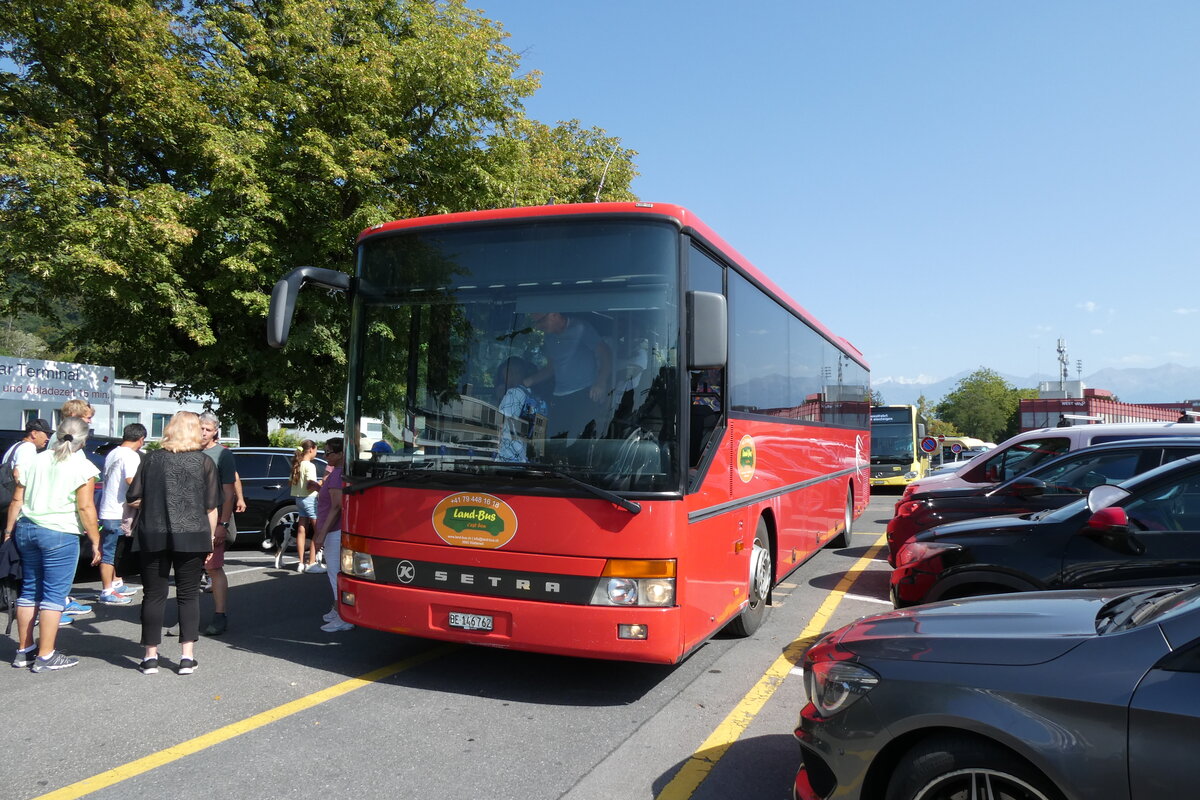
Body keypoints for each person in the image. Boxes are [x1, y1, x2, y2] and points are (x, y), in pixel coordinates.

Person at [5, 417, 102, 672]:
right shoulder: (83, 467)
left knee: (29, 590)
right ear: (84, 440)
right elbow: (85, 507)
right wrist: (95, 540)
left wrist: (8, 531)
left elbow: (17, 499)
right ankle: (46, 655)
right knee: (54, 594)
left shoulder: (35, 460)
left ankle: (24, 650)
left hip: (27, 528)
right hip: (60, 531)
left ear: (58, 435)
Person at [127, 411, 220, 674]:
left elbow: (133, 497)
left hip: (153, 532)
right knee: (188, 594)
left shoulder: (151, 459)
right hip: (192, 534)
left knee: (153, 594)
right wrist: (210, 538)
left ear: (170, 429)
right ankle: (186, 657)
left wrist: (155, 501)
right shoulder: (204, 462)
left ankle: (150, 657)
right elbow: (211, 507)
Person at [525, 312, 612, 441]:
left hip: (585, 395)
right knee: (553, 440)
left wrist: (601, 382)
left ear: (554, 315)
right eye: (535, 323)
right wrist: (527, 382)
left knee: (579, 441)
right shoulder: (549, 338)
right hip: (559, 397)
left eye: (541, 321)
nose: (537, 327)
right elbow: (551, 369)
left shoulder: (581, 327)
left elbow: (605, 353)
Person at [198, 412, 242, 636]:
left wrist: (223, 524)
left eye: (208, 429)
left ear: (215, 431)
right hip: (190, 519)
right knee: (189, 570)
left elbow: (228, 491)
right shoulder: (189, 450)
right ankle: (187, 616)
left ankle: (219, 615)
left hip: (213, 518)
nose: (203, 433)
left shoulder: (223, 454)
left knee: (213, 568)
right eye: (201, 428)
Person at [97, 423, 147, 604]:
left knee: (116, 550)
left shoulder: (114, 452)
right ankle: (107, 591)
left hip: (108, 508)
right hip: (117, 511)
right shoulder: (130, 455)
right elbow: (131, 480)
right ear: (141, 439)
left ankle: (116, 583)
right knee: (110, 552)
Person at [312, 437, 352, 632]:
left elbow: (336, 507)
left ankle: (344, 617)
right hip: (333, 531)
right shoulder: (337, 473)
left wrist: (321, 534)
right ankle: (338, 611)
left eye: (328, 452)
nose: (325, 455)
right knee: (335, 573)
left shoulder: (337, 474)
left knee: (335, 574)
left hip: (333, 532)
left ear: (340, 454)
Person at [493, 357, 545, 463]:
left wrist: (500, 399)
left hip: (508, 463)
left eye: (505, 377)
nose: (506, 382)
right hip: (529, 462)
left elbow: (497, 428)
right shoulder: (539, 401)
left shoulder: (512, 394)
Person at [289, 440, 321, 573]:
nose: (316, 452)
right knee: (318, 530)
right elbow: (310, 485)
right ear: (311, 449)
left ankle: (301, 562)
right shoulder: (310, 466)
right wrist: (321, 484)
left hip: (298, 499)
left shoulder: (297, 464)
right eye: (316, 450)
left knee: (302, 530)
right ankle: (312, 562)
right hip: (310, 499)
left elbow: (291, 482)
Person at [2, 418, 52, 485]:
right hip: (13, 490)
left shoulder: (16, 446)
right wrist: (22, 489)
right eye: (47, 434)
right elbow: (18, 474)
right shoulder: (28, 447)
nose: (48, 438)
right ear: (34, 433)